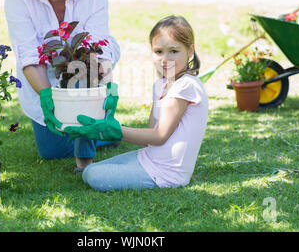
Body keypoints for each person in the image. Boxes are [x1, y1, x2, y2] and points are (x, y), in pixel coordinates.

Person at [4, 0, 120, 173]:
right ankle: (104, 132)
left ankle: (85, 158)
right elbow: (28, 53)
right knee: (51, 151)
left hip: (86, 67)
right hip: (41, 75)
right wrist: (47, 95)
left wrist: (106, 84)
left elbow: (99, 46)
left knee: (80, 67)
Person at [65, 15, 209, 191]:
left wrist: (115, 130)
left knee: (92, 175)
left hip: (167, 173)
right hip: (148, 158)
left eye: (173, 51)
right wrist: (106, 126)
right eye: (158, 51)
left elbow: (159, 135)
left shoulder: (186, 86)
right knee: (89, 170)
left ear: (190, 50)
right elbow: (150, 137)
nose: (165, 59)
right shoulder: (160, 85)